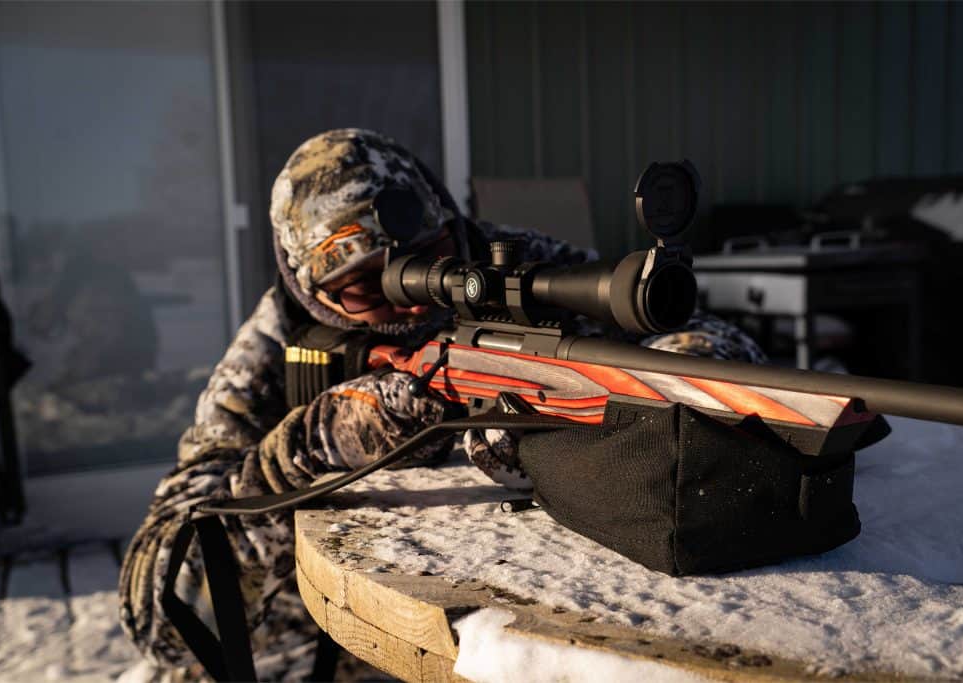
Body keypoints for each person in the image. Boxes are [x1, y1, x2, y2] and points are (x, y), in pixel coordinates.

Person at [118, 129, 765, 681]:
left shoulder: (513, 269)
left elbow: (716, 349)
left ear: (452, 228)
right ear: (313, 295)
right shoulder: (274, 346)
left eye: (425, 261)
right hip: (330, 644)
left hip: (531, 625)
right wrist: (310, 449)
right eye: (365, 287)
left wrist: (597, 404)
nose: (409, 300)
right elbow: (157, 608)